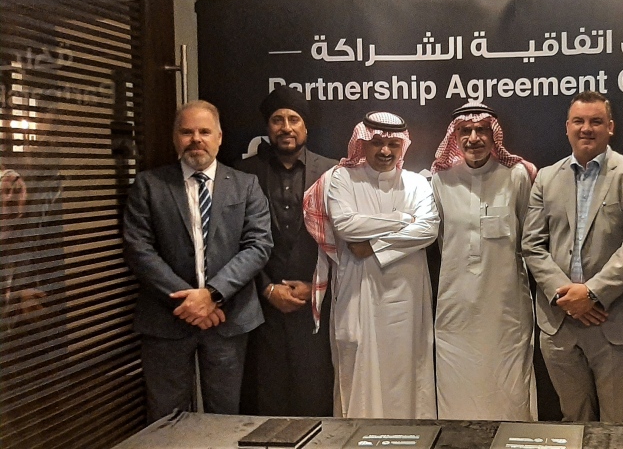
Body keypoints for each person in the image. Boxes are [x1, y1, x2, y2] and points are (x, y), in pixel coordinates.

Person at [123, 100, 272, 423]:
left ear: (219, 137)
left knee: (225, 418)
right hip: (166, 318)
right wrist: (188, 301)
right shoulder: (149, 185)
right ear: (175, 138)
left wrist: (213, 295)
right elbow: (139, 249)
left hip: (228, 318)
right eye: (187, 132)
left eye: (204, 131)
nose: (196, 139)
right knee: (165, 419)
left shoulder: (246, 185)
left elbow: (258, 246)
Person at [521, 91, 623, 422]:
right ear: (567, 127)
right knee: (573, 422)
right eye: (579, 121)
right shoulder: (546, 177)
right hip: (559, 322)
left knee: (619, 424)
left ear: (610, 127)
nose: (586, 128)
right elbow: (532, 244)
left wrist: (591, 294)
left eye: (596, 121)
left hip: (615, 320)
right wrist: (567, 297)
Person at [303, 111, 439, 419]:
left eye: (393, 144)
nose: (385, 151)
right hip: (358, 292)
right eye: (376, 142)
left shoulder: (416, 183)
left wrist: (374, 247)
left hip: (407, 298)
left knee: (407, 369)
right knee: (359, 370)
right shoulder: (342, 178)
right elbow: (346, 226)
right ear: (362, 143)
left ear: (403, 146)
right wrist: (403, 219)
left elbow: (429, 229)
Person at [430, 101, 538, 421]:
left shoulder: (516, 175)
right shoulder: (442, 180)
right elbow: (440, 239)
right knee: (458, 383)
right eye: (465, 131)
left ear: (494, 136)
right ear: (455, 136)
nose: (474, 138)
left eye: (482, 130)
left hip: (506, 305)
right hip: (456, 303)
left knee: (509, 384)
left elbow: (529, 237)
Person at [235, 86, 336, 416]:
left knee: (316, 397)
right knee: (267, 400)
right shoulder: (242, 174)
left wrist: (316, 288)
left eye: (294, 119)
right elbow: (232, 243)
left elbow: (343, 243)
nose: (286, 127)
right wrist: (267, 288)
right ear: (267, 127)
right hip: (261, 308)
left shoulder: (334, 173)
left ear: (306, 126)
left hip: (316, 309)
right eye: (277, 120)